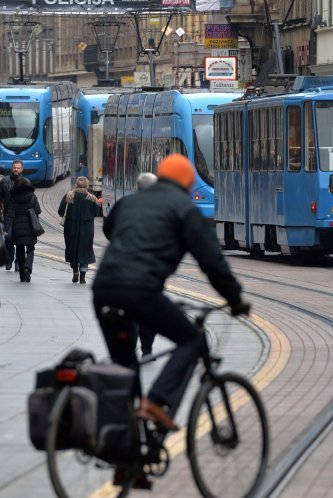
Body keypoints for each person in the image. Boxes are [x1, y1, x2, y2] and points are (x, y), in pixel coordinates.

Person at [93, 154, 250, 431]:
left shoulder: (128, 202)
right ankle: (157, 400)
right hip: (141, 290)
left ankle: (128, 461)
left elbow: (110, 228)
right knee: (192, 340)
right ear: (187, 184)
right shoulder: (183, 208)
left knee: (125, 367)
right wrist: (235, 299)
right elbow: (211, 261)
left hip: (103, 289)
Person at [134, 172, 159, 356]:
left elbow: (108, 229)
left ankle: (126, 354)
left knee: (129, 315)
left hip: (116, 277)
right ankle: (148, 350)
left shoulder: (124, 206)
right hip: (147, 277)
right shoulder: (162, 211)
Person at [58, 176, 100, 284]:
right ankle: (83, 276)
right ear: (87, 186)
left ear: (76, 185)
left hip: (71, 228)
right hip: (86, 230)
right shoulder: (92, 198)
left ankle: (75, 271)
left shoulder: (69, 196)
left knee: (72, 249)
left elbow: (60, 211)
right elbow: (96, 213)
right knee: (85, 251)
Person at [7, 177, 42, 283]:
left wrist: (6, 228)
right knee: (30, 249)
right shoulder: (32, 196)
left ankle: (22, 275)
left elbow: (10, 213)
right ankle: (28, 267)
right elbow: (38, 210)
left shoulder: (13, 197)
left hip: (17, 227)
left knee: (20, 250)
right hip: (30, 227)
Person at [0, 160, 29, 271]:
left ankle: (18, 262)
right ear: (11, 168)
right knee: (9, 238)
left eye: (18, 168)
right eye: (14, 167)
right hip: (8, 215)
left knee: (20, 240)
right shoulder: (4, 181)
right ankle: (9, 259)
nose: (16, 170)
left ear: (22, 169)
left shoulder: (26, 182)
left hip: (21, 216)